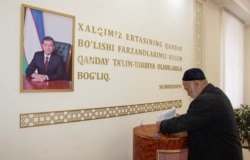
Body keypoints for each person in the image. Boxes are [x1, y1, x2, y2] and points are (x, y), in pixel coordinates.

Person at [156, 68, 243, 160]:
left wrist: (162, 125)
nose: (188, 94)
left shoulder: (206, 100)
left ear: (196, 84)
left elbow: (185, 123)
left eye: (188, 89)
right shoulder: (215, 93)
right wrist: (185, 118)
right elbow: (199, 119)